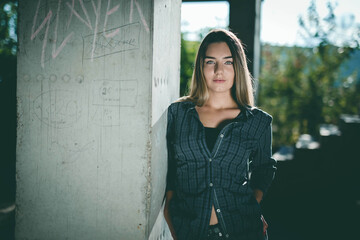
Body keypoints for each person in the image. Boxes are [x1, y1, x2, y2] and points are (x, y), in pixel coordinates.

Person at [164, 29, 276, 240]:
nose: (218, 70)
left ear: (238, 68)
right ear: (201, 66)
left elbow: (265, 168)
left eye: (227, 62)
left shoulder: (258, 122)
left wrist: (253, 204)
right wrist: (168, 209)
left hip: (242, 230)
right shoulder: (178, 114)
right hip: (190, 231)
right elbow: (170, 168)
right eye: (210, 62)